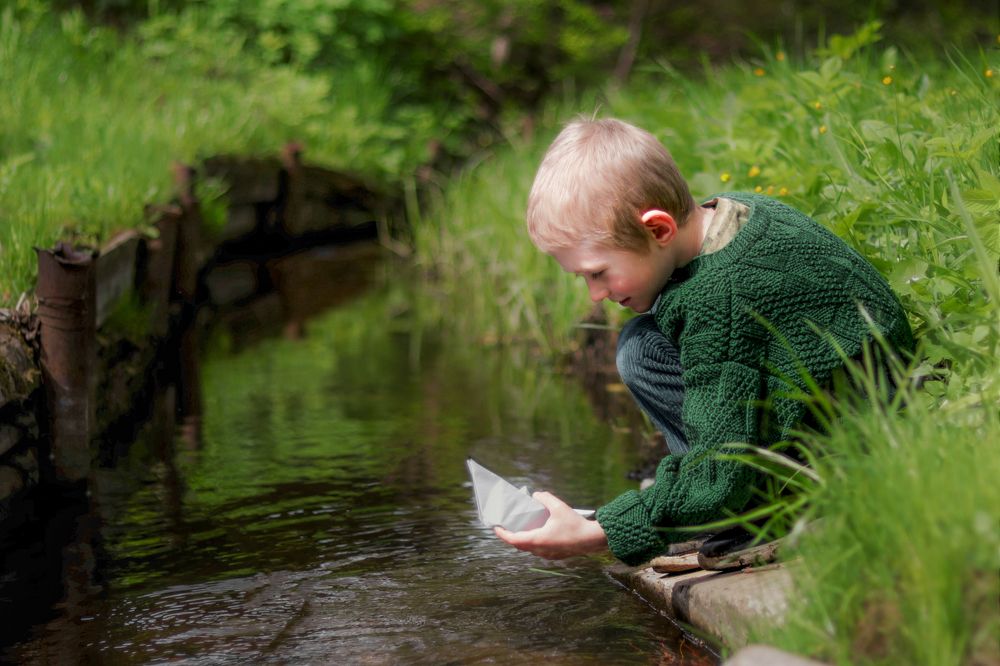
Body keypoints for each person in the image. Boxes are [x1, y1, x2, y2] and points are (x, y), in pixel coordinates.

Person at [495, 118, 914, 567]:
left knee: (639, 354)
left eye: (598, 272)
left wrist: (603, 531)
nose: (595, 295)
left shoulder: (719, 300)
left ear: (657, 230)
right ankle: (714, 507)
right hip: (868, 394)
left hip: (845, 446)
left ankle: (763, 517)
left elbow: (724, 464)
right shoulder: (737, 213)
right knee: (641, 342)